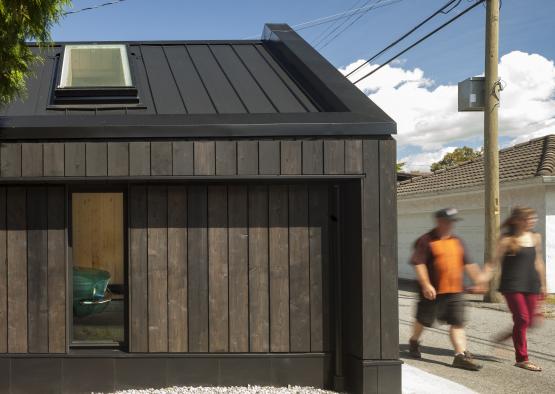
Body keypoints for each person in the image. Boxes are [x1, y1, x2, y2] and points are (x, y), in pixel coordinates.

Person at [408, 208, 485, 371]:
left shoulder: (457, 241)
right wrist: (426, 284)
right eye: (448, 221)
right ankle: (414, 341)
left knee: (457, 322)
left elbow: (469, 263)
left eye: (453, 221)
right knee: (423, 320)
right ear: (439, 221)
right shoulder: (426, 240)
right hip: (432, 291)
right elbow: (419, 263)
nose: (451, 225)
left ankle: (459, 356)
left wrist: (479, 281)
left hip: (455, 290)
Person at [483, 207, 547, 372]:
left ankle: (506, 336)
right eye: (528, 218)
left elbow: (538, 262)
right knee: (523, 319)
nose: (532, 221)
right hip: (512, 285)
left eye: (533, 218)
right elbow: (493, 263)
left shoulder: (535, 237)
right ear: (517, 220)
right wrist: (482, 280)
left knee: (531, 321)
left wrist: (544, 284)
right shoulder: (506, 239)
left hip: (531, 284)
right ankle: (522, 358)